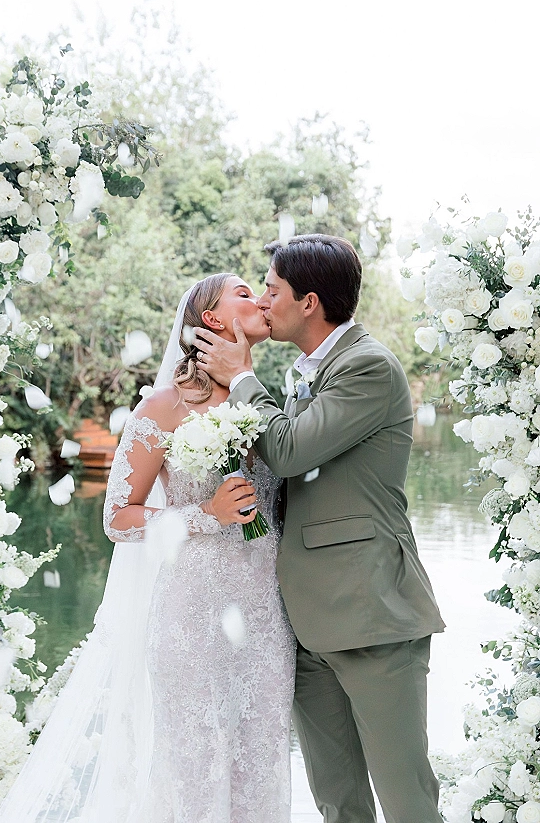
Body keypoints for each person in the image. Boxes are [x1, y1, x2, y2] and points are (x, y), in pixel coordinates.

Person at [0, 274, 295, 823]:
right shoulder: (165, 406)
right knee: (193, 769)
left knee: (263, 762)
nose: (263, 300)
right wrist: (205, 515)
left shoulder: (268, 402)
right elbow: (118, 518)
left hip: (266, 615)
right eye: (245, 293)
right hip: (193, 615)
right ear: (211, 319)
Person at [195, 235, 446, 823]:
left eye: (272, 288)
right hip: (305, 623)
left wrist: (239, 378)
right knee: (337, 802)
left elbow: (287, 452)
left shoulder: (368, 367)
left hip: (372, 614)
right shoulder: (305, 372)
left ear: (309, 302)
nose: (263, 299)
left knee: (407, 799)